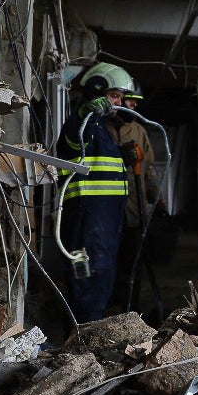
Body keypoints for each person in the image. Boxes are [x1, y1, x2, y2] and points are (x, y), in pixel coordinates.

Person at [56, 62, 134, 323]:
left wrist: (122, 156)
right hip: (88, 218)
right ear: (97, 91)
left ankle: (89, 336)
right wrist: (84, 115)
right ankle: (82, 341)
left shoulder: (102, 129)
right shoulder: (82, 123)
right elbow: (72, 142)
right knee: (89, 281)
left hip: (103, 219)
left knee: (100, 278)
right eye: (114, 96)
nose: (119, 102)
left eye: (121, 97)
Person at [114, 80, 162, 311]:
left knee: (133, 262)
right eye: (128, 100)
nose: (132, 105)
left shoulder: (139, 130)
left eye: (135, 102)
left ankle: (131, 308)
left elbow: (149, 168)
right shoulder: (105, 127)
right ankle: (111, 306)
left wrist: (155, 196)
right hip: (111, 210)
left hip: (136, 209)